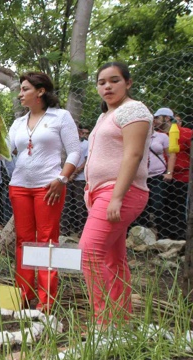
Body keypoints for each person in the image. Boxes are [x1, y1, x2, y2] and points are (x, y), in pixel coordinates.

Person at [0, 71, 80, 312]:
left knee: (47, 240)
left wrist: (62, 178)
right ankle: (23, 293)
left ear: (40, 91)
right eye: (20, 89)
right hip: (19, 186)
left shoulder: (61, 117)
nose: (20, 93)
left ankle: (47, 298)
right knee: (24, 240)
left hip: (48, 186)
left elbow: (74, 151)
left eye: (25, 89)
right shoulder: (18, 122)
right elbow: (5, 154)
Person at [79, 62, 153, 326]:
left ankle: (104, 323)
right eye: (101, 82)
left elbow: (133, 154)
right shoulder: (105, 115)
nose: (107, 86)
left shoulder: (133, 109)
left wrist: (117, 197)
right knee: (112, 257)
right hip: (102, 193)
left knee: (88, 252)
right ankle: (120, 321)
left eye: (114, 80)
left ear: (128, 83)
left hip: (121, 191)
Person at [155, 108, 192, 240]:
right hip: (162, 176)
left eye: (157, 118)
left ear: (166, 118)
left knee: (180, 206)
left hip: (183, 177)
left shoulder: (186, 133)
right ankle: (164, 236)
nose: (155, 121)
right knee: (163, 206)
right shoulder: (157, 135)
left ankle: (180, 237)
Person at [62, 126, 90, 235]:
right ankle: (65, 229)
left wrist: (75, 172)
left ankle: (81, 230)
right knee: (66, 204)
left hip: (80, 178)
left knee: (80, 204)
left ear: (80, 132)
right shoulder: (66, 144)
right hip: (66, 178)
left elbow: (87, 160)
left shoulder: (86, 144)